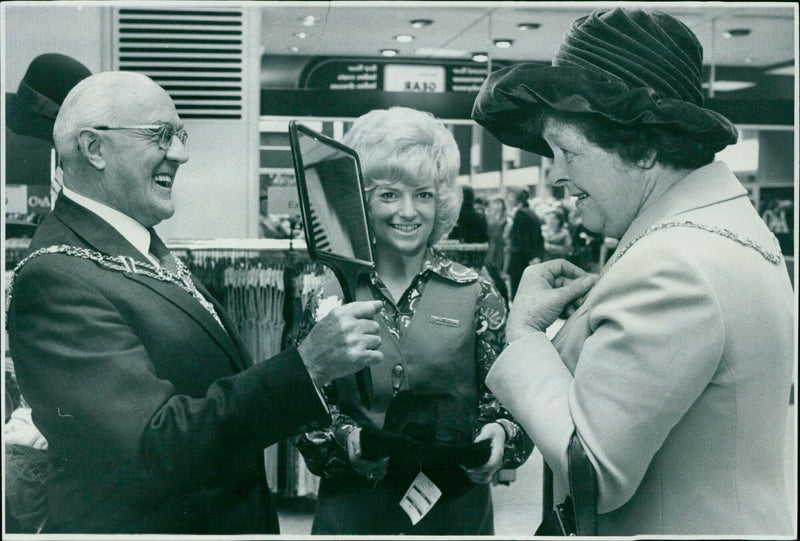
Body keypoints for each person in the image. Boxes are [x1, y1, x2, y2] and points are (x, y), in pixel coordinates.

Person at [5, 71, 385, 534]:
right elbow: (151, 445)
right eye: (161, 135)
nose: (181, 153)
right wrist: (305, 367)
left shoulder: (136, 246)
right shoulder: (56, 276)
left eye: (181, 135)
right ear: (93, 148)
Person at [472, 7, 794, 536]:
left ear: (642, 148)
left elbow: (593, 472)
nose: (554, 174)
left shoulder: (673, 263)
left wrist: (525, 335)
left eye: (567, 152)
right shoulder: (724, 228)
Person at [293, 107, 532, 535]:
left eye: (423, 194)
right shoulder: (327, 297)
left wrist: (500, 434)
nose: (409, 211)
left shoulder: (478, 293)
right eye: (389, 194)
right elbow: (302, 412)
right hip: (353, 514)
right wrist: (347, 442)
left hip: (455, 514)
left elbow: (514, 406)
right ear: (359, 200)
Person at [505, 187, 543, 299]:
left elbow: (521, 239)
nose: (509, 199)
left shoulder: (520, 214)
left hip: (520, 259)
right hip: (529, 258)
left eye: (511, 196)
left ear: (517, 199)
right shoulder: (532, 213)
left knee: (517, 292)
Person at [484, 195, 509, 272]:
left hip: (500, 246)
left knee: (497, 268)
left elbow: (506, 235)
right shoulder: (488, 216)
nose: (497, 206)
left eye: (499, 203)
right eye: (495, 203)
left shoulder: (506, 218)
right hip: (489, 245)